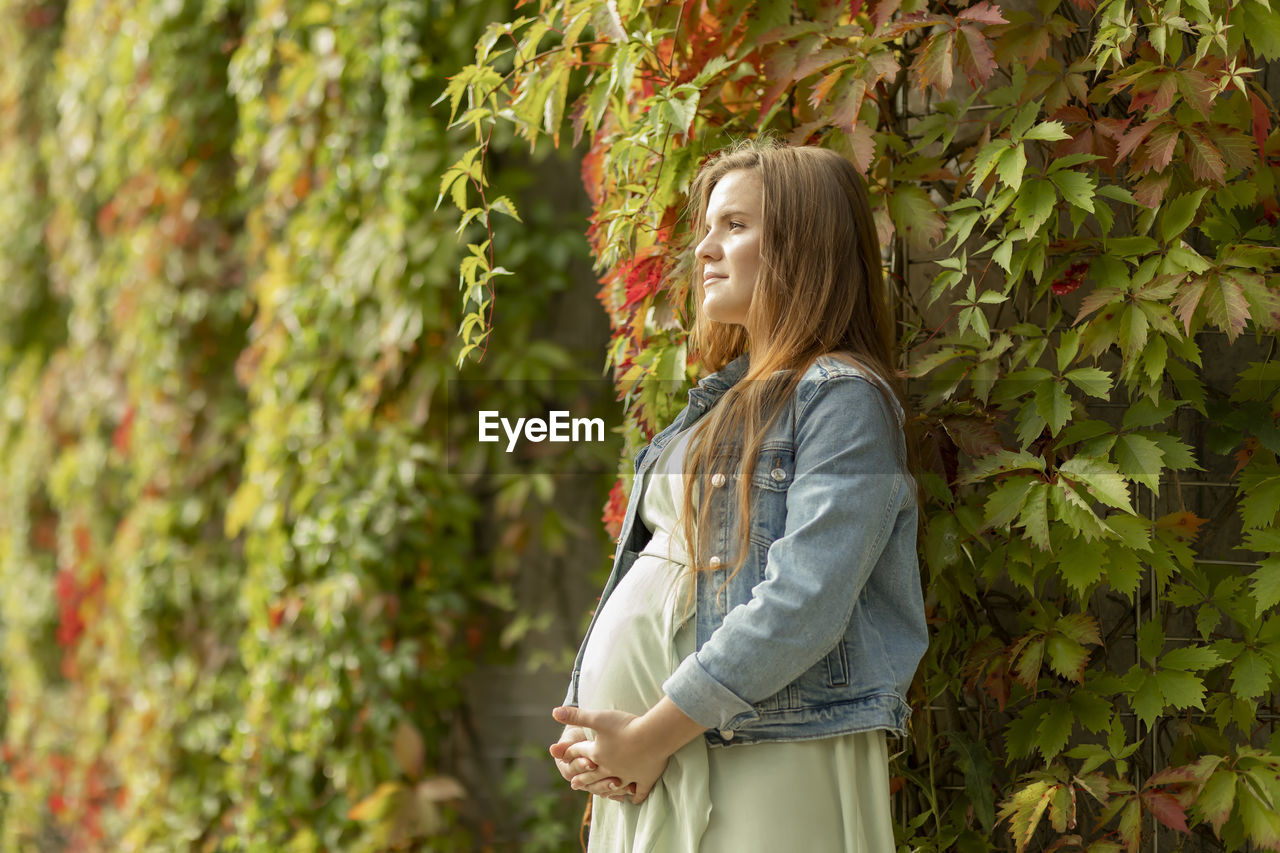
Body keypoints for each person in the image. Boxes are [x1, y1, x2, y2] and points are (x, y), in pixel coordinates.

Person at [547, 140, 929, 851]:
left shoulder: (843, 401)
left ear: (803, 245)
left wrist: (649, 734)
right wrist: (614, 741)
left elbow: (805, 601)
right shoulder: (719, 401)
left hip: (759, 748)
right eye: (708, 228)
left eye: (736, 226)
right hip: (662, 755)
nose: (706, 250)